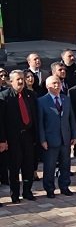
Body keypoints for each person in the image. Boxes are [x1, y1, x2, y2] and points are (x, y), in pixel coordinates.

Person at [0, 70, 39, 203]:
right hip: (13, 139)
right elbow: (1, 121)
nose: (21, 82)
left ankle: (27, 191)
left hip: (28, 136)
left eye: (22, 79)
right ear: (11, 82)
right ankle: (15, 194)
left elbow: (35, 116)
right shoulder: (4, 97)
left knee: (28, 165)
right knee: (14, 167)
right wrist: (3, 140)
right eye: (18, 79)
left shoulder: (30, 95)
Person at [37, 76, 76, 198]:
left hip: (65, 138)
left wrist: (74, 135)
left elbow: (72, 118)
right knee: (49, 166)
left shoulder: (66, 99)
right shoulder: (41, 101)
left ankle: (64, 186)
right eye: (54, 83)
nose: (57, 85)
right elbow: (40, 123)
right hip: (50, 140)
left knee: (65, 164)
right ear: (47, 86)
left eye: (58, 83)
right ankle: (49, 188)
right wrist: (42, 139)